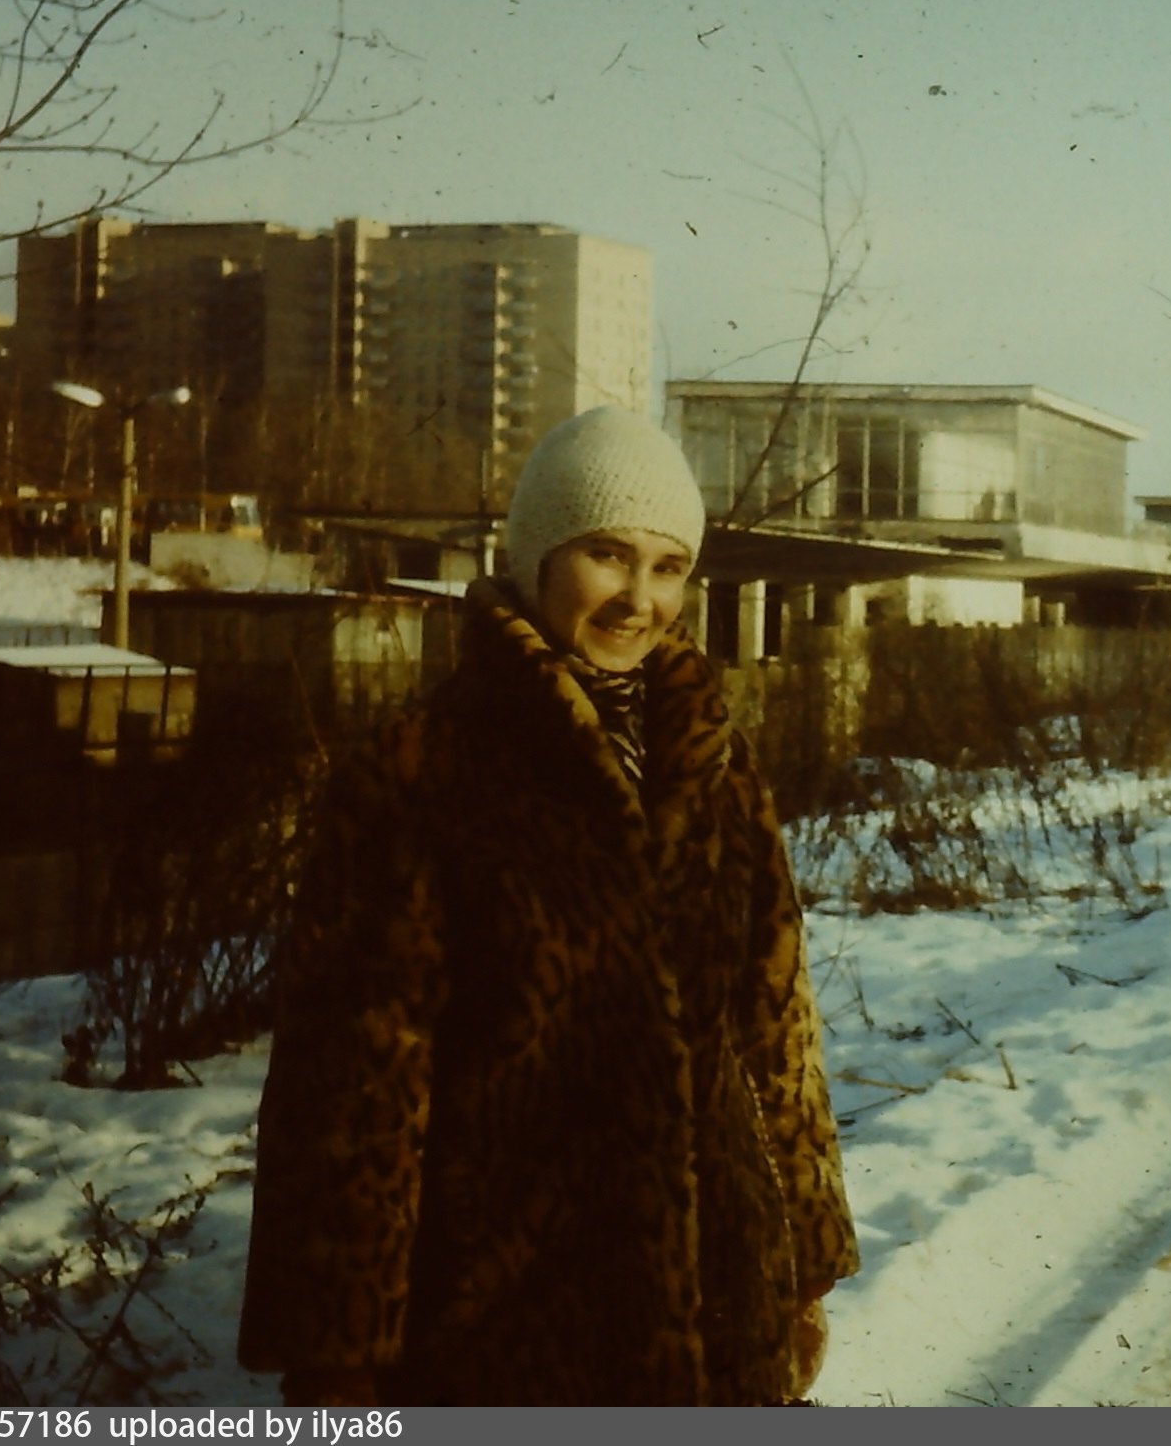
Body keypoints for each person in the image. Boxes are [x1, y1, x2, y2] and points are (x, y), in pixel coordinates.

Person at [237, 404, 858, 1405]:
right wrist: (341, 1351)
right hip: (507, 1329)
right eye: (607, 555)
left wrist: (810, 1256)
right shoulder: (419, 779)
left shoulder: (718, 769)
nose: (638, 598)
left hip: (721, 1307)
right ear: (536, 556)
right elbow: (352, 1093)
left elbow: (777, 1026)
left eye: (667, 566)